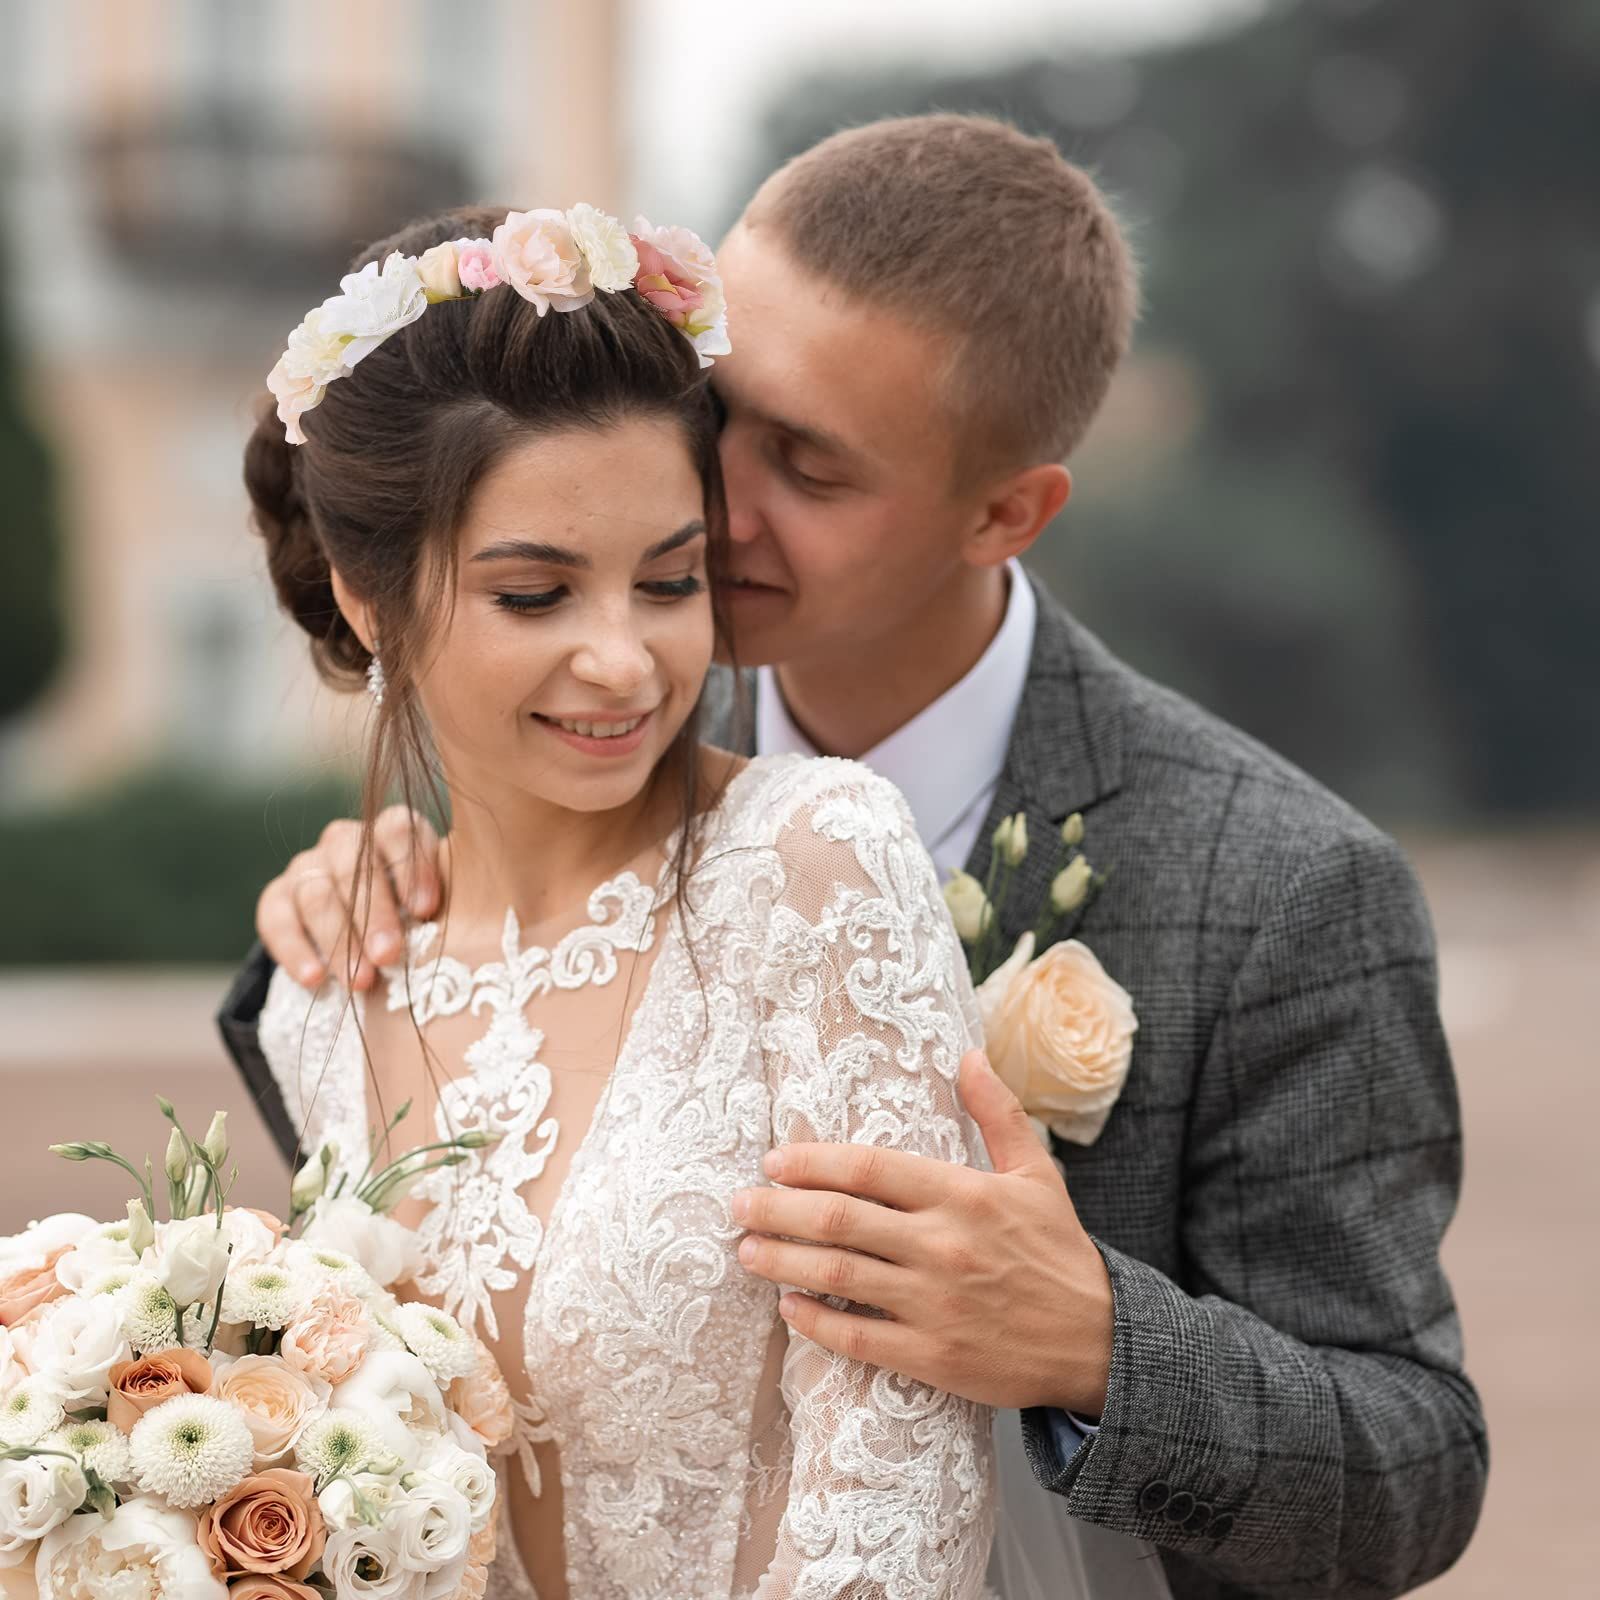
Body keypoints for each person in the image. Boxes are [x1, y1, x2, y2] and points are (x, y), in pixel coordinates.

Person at [223, 118, 1487, 1598]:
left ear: (1003, 512)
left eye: (807, 469)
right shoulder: (500, 802)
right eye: (723, 413)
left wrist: (1095, 1344)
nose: (709, 495)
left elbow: (1418, 1467)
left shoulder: (1275, 887)